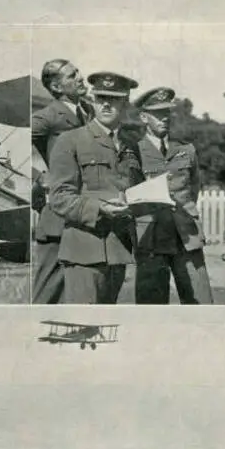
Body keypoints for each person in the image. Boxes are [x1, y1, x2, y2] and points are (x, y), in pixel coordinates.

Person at [49, 72, 144, 305]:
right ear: (93, 99)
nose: (106, 104)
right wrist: (99, 208)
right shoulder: (70, 140)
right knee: (84, 325)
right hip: (83, 250)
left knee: (105, 326)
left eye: (114, 98)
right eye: (101, 97)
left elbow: (136, 191)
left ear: (125, 102)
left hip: (118, 249)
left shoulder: (131, 145)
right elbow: (59, 197)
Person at [132, 87, 212, 304]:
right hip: (151, 239)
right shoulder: (134, 152)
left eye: (167, 112)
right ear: (143, 117)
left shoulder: (186, 150)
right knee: (152, 308)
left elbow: (193, 189)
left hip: (187, 236)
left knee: (201, 302)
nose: (164, 118)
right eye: (157, 113)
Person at [31, 60, 94, 304]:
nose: (81, 78)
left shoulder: (89, 112)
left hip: (86, 214)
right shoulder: (47, 116)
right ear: (56, 87)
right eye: (72, 75)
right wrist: (39, 177)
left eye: (79, 71)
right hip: (59, 219)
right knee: (47, 293)